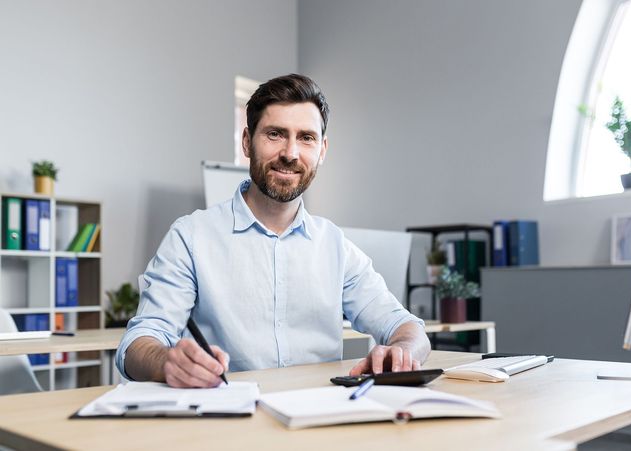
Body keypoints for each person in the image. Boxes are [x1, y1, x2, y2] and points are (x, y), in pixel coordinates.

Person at [116, 74, 430, 388]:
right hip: (226, 421)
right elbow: (137, 346)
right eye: (276, 134)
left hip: (319, 419)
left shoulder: (336, 245)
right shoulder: (191, 237)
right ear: (246, 142)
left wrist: (401, 351)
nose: (290, 153)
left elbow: (408, 328)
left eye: (306, 137)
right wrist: (167, 362)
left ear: (322, 150)